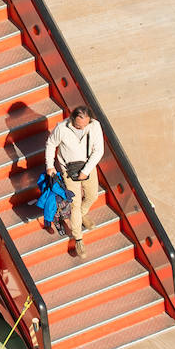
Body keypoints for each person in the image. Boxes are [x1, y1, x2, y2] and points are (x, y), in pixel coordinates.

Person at [44, 106, 103, 256]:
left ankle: (82, 215)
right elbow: (51, 144)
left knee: (92, 196)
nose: (82, 128)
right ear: (71, 119)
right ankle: (78, 238)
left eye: (85, 125)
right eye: (78, 126)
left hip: (88, 167)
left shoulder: (94, 126)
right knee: (75, 204)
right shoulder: (62, 128)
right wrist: (50, 166)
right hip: (69, 171)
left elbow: (99, 151)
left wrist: (85, 171)